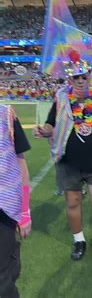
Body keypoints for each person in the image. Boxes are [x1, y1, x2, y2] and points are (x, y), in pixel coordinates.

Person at [33, 50, 92, 261]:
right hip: (68, 162)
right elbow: (50, 123)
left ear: (89, 76)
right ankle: (79, 240)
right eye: (75, 77)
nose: (80, 81)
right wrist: (45, 130)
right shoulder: (61, 97)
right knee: (72, 202)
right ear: (69, 79)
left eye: (83, 76)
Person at [0, 105, 31, 298]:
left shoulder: (6, 115)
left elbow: (21, 163)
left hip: (3, 208)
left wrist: (25, 210)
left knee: (3, 282)